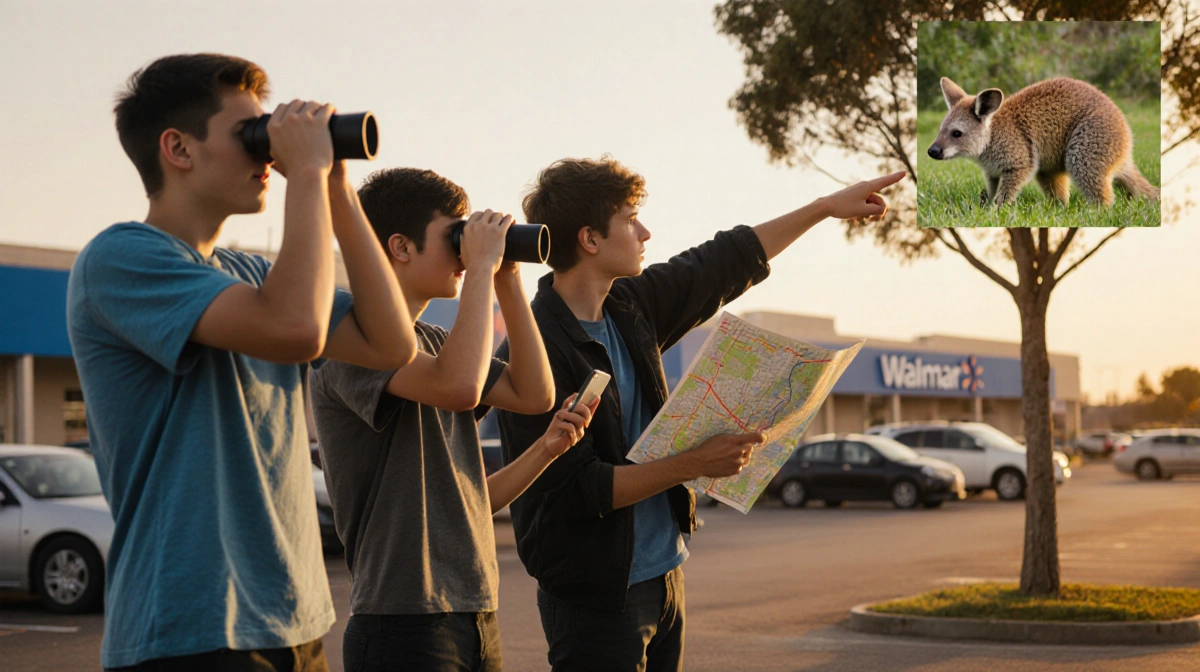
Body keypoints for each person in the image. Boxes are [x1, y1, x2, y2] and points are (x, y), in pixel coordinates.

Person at [66, 53, 417, 671]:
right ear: (177, 148)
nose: (267, 155)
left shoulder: (251, 274)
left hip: (292, 619)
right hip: (189, 629)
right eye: (249, 134)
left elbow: (391, 344)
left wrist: (333, 184)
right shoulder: (119, 259)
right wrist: (305, 176)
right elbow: (297, 330)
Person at [496, 156, 904, 671]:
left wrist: (824, 208)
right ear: (590, 239)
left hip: (666, 577)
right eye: (628, 219)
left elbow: (723, 261)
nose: (645, 231)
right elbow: (581, 490)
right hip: (597, 598)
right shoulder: (533, 351)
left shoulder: (630, 305)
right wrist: (694, 462)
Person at [309, 167, 597, 672]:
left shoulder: (440, 346)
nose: (466, 254)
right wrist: (483, 270)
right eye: (454, 237)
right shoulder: (349, 339)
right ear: (400, 247)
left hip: (472, 610)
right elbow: (460, 389)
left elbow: (535, 394)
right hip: (403, 620)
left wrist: (507, 278)